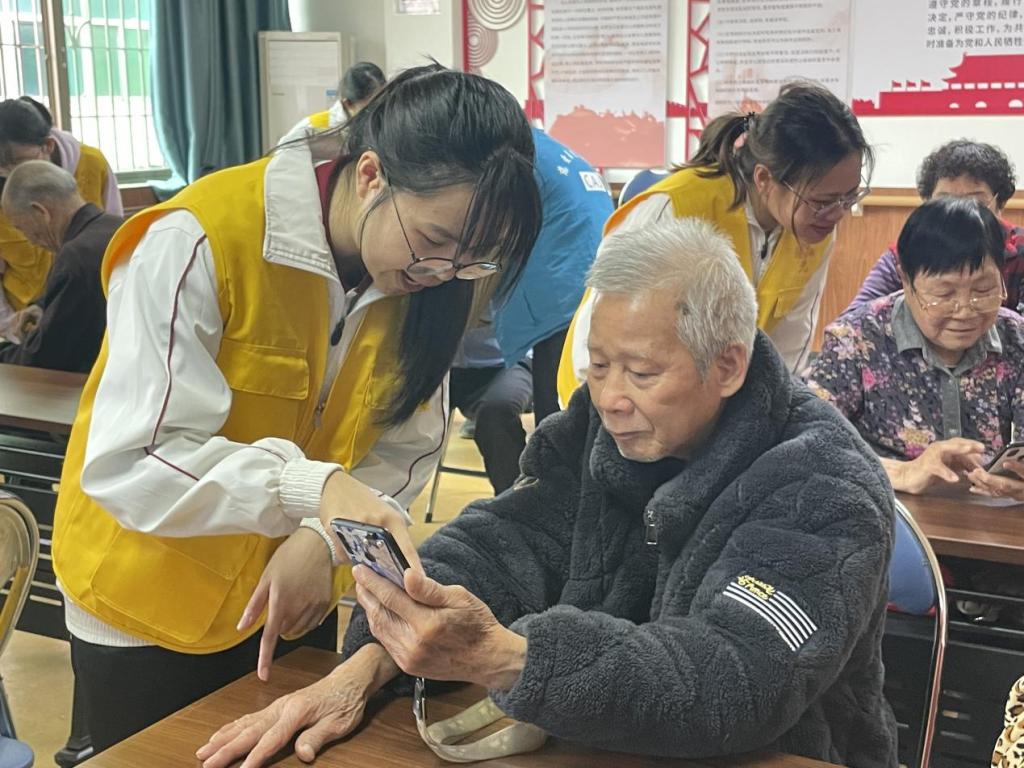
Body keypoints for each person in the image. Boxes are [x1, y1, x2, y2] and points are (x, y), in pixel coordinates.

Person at [198, 218, 897, 768]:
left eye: (642, 373)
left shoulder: (823, 483)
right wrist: (374, 660)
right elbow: (506, 540)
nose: (611, 398)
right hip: (597, 743)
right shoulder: (601, 425)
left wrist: (510, 658)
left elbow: (734, 680)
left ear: (729, 366)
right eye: (598, 366)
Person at [50, 64, 541, 753]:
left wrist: (318, 536)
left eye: (475, 261)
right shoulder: (199, 238)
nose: (444, 274)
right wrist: (312, 491)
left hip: (292, 596)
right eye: (434, 243)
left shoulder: (432, 282)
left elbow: (406, 447)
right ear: (370, 175)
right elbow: (136, 457)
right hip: (143, 600)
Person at [557, 81, 873, 405]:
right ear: (764, 179)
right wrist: (598, 414)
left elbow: (787, 347)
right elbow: (598, 333)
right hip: (614, 399)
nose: (837, 214)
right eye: (822, 201)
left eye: (849, 197)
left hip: (700, 403)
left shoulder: (813, 230)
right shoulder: (675, 208)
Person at [805, 196, 1024, 500]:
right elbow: (804, 443)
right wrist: (902, 472)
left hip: (991, 519)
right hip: (884, 511)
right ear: (906, 281)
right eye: (944, 294)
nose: (964, 311)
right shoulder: (855, 340)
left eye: (983, 290)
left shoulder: (1016, 338)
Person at [493, 127, 613, 424]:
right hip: (589, 288)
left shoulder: (511, 156)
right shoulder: (548, 150)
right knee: (570, 413)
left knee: (556, 422)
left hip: (561, 295)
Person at [846, 139, 1024, 314]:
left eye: (975, 202)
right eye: (945, 201)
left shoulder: (1020, 250)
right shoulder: (905, 254)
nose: (959, 214)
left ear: (1000, 204)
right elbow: (852, 321)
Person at [0, 97, 122, 324]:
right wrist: (7, 323)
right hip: (25, 315)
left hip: (90, 305)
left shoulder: (92, 164)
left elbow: (117, 240)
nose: (10, 175)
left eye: (18, 163)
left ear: (48, 146)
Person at [0, 161, 121, 372]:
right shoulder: (118, 226)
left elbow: (45, 354)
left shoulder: (76, 256)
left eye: (21, 228)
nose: (29, 240)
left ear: (40, 212)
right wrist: (41, 306)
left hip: (96, 377)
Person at [449, 320, 532, 494]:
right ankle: (394, 502)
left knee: (497, 412)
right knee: (397, 407)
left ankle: (514, 502)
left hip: (505, 361)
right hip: (435, 362)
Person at [279, 61, 387, 159]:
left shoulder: (366, 126)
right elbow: (281, 159)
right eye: (370, 109)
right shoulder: (319, 130)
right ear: (348, 104)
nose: (378, 114)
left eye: (383, 104)